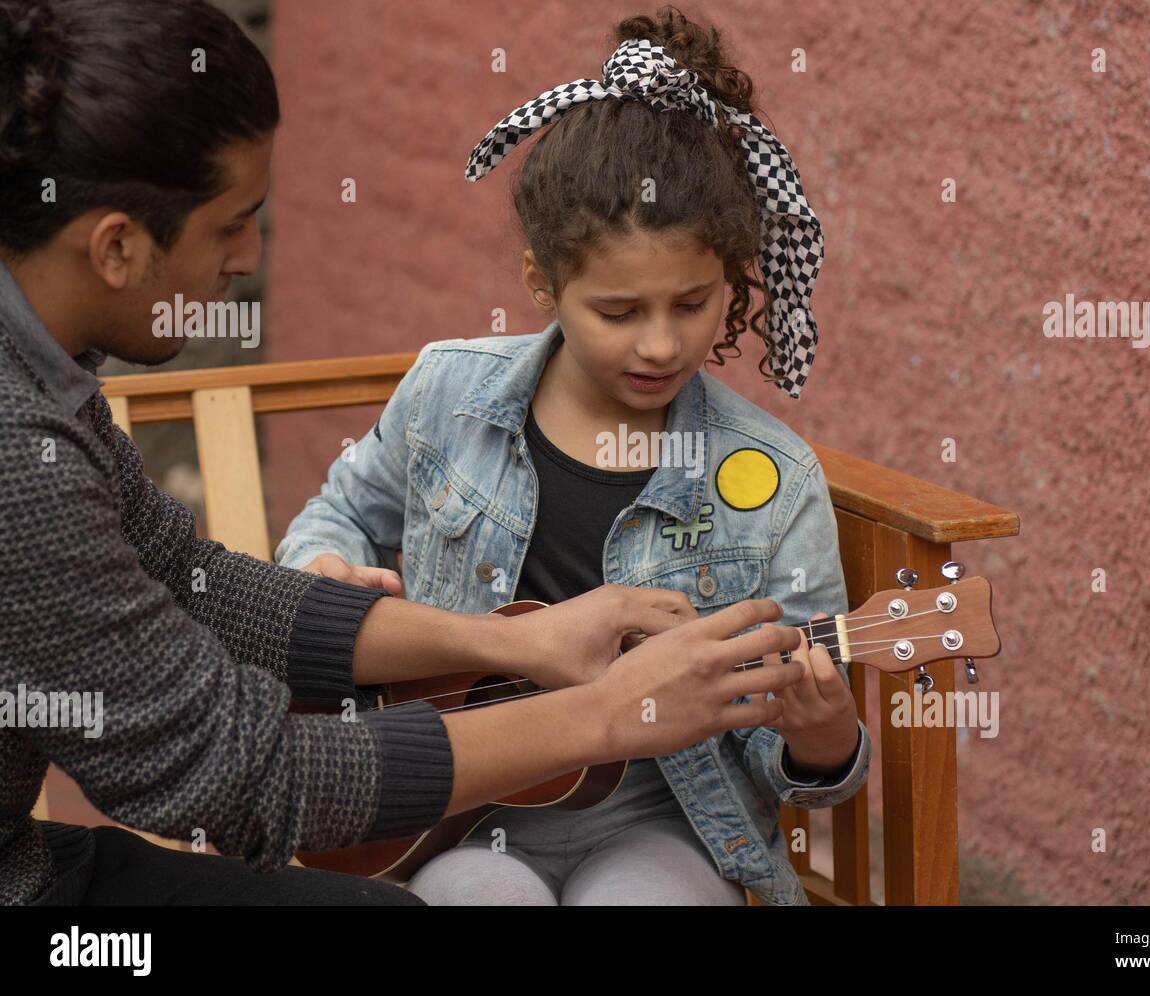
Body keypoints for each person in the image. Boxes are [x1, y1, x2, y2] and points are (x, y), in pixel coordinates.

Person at [0, 0, 809, 907]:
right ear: (115, 248)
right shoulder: (19, 456)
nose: (247, 257)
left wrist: (515, 641)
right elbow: (243, 778)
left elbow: (193, 578)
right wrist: (604, 712)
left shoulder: (44, 375)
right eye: (233, 222)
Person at [278, 6, 869, 906]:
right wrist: (329, 567)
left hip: (661, 823)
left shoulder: (772, 483)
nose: (662, 345)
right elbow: (342, 514)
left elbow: (790, 759)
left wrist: (819, 739)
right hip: (461, 799)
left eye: (694, 303)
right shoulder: (447, 393)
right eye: (619, 312)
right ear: (542, 283)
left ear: (735, 280)